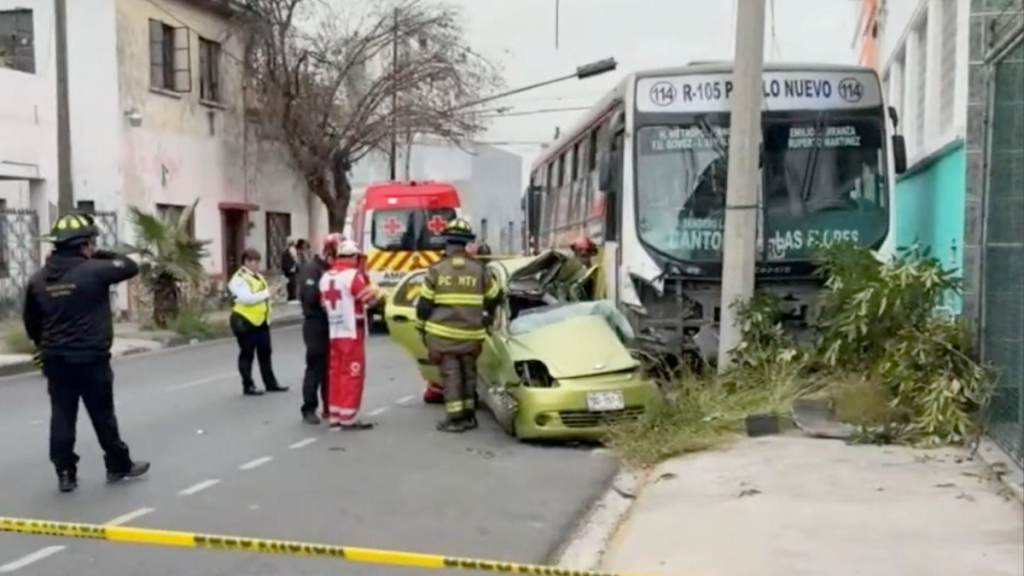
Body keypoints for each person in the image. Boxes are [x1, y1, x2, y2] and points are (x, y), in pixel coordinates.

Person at [23, 213, 150, 493]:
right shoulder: (95, 270)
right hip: (91, 358)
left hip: (56, 359)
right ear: (84, 244)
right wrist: (98, 253)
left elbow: (31, 322)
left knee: (62, 415)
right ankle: (118, 464)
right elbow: (129, 266)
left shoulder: (38, 280)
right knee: (103, 415)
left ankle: (65, 472)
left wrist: (43, 346)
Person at [416, 218, 500, 433]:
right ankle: (470, 416)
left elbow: (424, 306)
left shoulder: (437, 270)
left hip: (443, 335)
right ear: (466, 243)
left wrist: (421, 328)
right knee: (469, 372)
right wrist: (484, 316)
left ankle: (455, 419)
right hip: (472, 334)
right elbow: (494, 296)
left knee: (451, 374)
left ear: (447, 242)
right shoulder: (479, 269)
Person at [320, 238, 379, 430]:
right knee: (352, 374)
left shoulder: (326, 277)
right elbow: (369, 299)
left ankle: (335, 414)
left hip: (334, 331)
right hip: (352, 331)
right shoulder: (353, 276)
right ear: (354, 257)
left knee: (335, 373)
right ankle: (348, 417)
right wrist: (375, 291)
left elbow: (323, 304)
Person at [229, 248, 289, 396]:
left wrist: (275, 292)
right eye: (254, 262)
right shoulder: (239, 279)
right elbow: (247, 299)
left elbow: (263, 296)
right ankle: (248, 385)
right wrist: (268, 293)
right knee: (247, 354)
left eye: (258, 262)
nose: (257, 265)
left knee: (265, 352)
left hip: (261, 321)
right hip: (244, 320)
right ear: (246, 262)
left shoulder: (258, 277)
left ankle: (270, 383)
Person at [298, 236, 333, 424]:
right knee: (315, 365)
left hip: (331, 323)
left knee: (330, 367)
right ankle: (309, 408)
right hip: (315, 323)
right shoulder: (312, 270)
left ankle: (330, 406)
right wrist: (326, 301)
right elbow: (310, 297)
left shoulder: (331, 270)